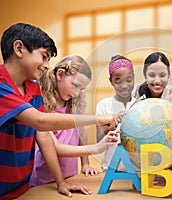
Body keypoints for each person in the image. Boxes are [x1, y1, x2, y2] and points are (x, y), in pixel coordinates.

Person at [0, 23, 119, 199]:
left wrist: (61, 182)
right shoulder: (2, 85)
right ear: (19, 48)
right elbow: (40, 121)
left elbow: (44, 136)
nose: (47, 65)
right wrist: (97, 119)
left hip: (22, 186)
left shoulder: (34, 89)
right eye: (44, 56)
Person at [29, 55, 101, 187]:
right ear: (60, 74)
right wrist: (96, 148)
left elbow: (81, 132)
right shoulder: (41, 105)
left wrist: (85, 164)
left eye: (82, 89)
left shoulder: (74, 104)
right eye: (75, 85)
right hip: (44, 181)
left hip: (71, 177)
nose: (77, 93)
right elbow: (55, 148)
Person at [96, 55, 135, 171]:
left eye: (128, 80)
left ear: (134, 78)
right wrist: (111, 123)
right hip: (110, 168)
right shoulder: (103, 105)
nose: (124, 86)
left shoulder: (140, 105)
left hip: (136, 169)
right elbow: (99, 141)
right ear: (111, 81)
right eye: (118, 81)